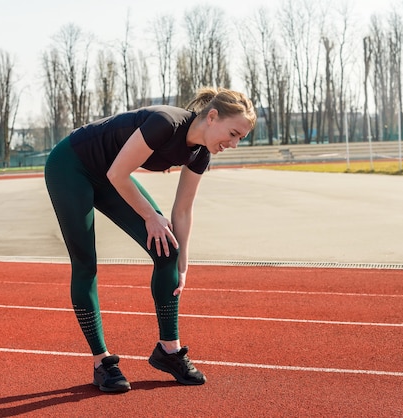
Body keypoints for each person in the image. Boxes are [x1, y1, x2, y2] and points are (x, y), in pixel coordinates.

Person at [44, 87, 257, 393]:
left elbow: (182, 210)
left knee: (167, 249)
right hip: (70, 166)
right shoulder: (165, 123)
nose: (234, 144)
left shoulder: (201, 153)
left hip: (108, 175)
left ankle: (168, 352)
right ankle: (101, 362)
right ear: (212, 117)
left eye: (240, 139)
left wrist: (182, 263)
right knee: (85, 263)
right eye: (234, 133)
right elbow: (119, 172)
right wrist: (150, 216)